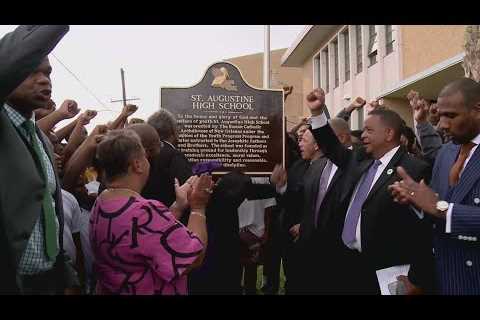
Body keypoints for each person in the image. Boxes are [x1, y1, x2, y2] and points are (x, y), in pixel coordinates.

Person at [307, 88, 433, 294]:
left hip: (387, 272)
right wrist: (317, 113)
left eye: (369, 130)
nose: (362, 135)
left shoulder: (413, 169)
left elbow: (423, 231)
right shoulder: (360, 159)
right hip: (349, 264)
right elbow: (331, 147)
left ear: (389, 133)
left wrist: (418, 278)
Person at [0, 25, 80, 294]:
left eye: (47, 72)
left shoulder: (41, 140)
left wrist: (65, 274)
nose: (45, 80)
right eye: (32, 70)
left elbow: (50, 215)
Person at [91, 129, 213, 294]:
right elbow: (192, 258)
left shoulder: (102, 202)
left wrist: (177, 206)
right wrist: (198, 206)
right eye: (144, 156)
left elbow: (146, 238)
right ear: (137, 164)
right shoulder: (144, 211)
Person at [390, 78, 480, 295]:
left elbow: (439, 206)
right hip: (442, 279)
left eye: (451, 115)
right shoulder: (447, 152)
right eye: (440, 115)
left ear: (477, 110)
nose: (442, 124)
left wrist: (441, 209)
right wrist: (416, 201)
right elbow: (434, 207)